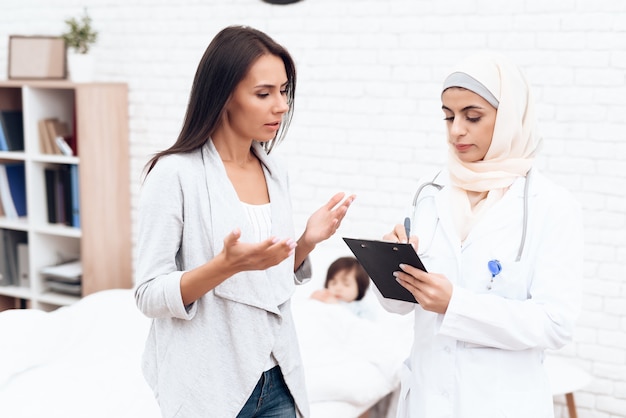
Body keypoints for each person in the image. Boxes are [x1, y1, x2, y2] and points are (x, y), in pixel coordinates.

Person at [134, 25, 355, 418]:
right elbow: (149, 295)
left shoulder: (275, 172)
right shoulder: (174, 175)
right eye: (263, 93)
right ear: (223, 97)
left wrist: (306, 242)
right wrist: (222, 267)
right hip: (212, 385)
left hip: (278, 377)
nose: (281, 106)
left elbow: (265, 284)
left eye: (284, 91)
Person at [378, 53, 583, 417]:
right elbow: (399, 305)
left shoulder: (549, 204)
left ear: (507, 119)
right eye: (448, 116)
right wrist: (393, 267)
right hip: (426, 400)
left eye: (472, 117)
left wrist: (456, 304)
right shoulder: (430, 194)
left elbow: (555, 324)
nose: (456, 129)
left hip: (500, 403)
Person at [310, 256, 375, 319]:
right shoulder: (324, 301)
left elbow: (361, 327)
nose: (338, 288)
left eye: (346, 284)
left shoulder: (362, 309)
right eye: (334, 283)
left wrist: (335, 306)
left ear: (360, 287)